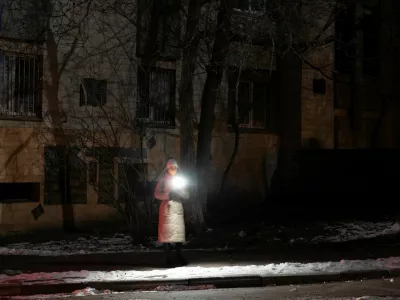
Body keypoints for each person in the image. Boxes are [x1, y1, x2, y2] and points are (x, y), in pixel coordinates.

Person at [154, 158, 190, 266]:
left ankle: (178, 255)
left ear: (177, 168)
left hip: (177, 208)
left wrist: (179, 192)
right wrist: (167, 195)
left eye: (174, 167)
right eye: (171, 167)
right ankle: (167, 257)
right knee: (167, 235)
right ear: (167, 168)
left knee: (178, 234)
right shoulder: (163, 180)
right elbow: (156, 194)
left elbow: (187, 195)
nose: (173, 169)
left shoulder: (181, 180)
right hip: (167, 208)